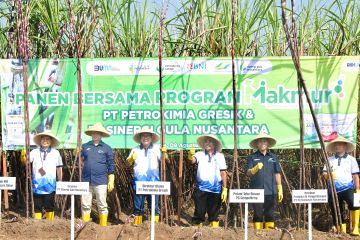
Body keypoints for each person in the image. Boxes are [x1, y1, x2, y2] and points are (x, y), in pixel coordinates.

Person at [126, 126, 168, 225]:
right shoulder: (135, 149)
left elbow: (164, 161)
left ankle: (155, 226)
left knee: (154, 207)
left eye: (148, 136)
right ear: (140, 138)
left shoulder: (157, 148)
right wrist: (131, 159)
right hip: (139, 183)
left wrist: (164, 154)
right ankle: (137, 226)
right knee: (138, 207)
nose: (145, 138)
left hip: (153, 183)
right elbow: (127, 164)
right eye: (143, 136)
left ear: (151, 138)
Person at [188, 134, 227, 228]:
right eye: (206, 141)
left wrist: (225, 188)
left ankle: (214, 230)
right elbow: (192, 161)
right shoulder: (199, 154)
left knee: (214, 213)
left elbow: (223, 172)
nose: (207, 143)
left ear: (214, 144)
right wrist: (190, 155)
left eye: (210, 141)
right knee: (199, 212)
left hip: (215, 189)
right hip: (201, 188)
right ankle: (196, 230)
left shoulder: (220, 156)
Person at [323, 136, 359, 235]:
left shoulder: (352, 159)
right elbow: (324, 173)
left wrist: (358, 189)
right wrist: (327, 175)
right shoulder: (329, 159)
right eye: (336, 144)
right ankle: (340, 228)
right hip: (333, 189)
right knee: (336, 209)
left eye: (340, 144)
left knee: (355, 204)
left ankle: (355, 228)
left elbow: (355, 175)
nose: (337, 146)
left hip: (348, 188)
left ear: (345, 146)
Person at [246, 132, 283, 230]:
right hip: (256, 190)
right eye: (260, 141)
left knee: (270, 214)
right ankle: (257, 234)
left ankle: (269, 234)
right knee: (257, 214)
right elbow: (248, 173)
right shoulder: (252, 157)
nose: (262, 143)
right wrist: (254, 169)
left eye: (264, 141)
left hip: (271, 190)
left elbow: (277, 173)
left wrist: (279, 187)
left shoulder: (273, 157)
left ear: (267, 144)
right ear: (257, 144)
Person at [81, 122, 115, 226]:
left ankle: (103, 227)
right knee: (85, 205)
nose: (95, 135)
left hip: (101, 181)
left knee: (102, 205)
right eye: (93, 133)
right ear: (91, 134)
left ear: (101, 135)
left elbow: (111, 164)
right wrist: (76, 152)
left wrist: (111, 179)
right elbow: (76, 160)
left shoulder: (107, 148)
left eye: (97, 133)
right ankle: (85, 226)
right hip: (86, 180)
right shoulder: (85, 146)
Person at [30, 130, 63, 220]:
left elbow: (59, 167)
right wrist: (24, 156)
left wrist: (60, 180)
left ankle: (50, 224)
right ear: (40, 140)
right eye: (43, 139)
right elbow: (26, 163)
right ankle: (37, 224)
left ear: (51, 141)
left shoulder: (56, 153)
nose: (45, 141)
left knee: (49, 204)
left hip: (50, 184)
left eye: (48, 139)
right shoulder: (34, 152)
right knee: (37, 205)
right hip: (37, 184)